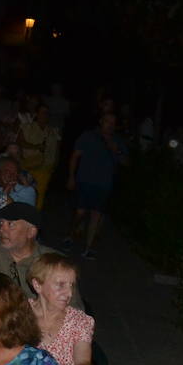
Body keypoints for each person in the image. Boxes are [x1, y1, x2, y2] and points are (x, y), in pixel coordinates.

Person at [0, 202, 84, 309]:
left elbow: (74, 308)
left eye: (11, 224)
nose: (1, 229)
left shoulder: (55, 263)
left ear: (31, 232)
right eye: (1, 223)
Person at [29, 252, 94, 365]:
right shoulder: (19, 313)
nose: (69, 293)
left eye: (72, 285)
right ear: (37, 285)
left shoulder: (79, 321)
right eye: (60, 285)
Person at [67, 111, 129, 259]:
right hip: (84, 180)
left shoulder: (117, 141)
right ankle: (70, 234)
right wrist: (71, 176)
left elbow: (126, 162)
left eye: (113, 123)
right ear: (101, 121)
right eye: (108, 122)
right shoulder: (88, 136)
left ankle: (88, 248)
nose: (110, 126)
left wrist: (117, 150)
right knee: (80, 212)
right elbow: (75, 156)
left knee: (96, 215)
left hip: (104, 184)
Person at [18, 103, 60, 207]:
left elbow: (57, 150)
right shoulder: (27, 127)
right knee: (24, 192)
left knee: (40, 194)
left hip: (45, 168)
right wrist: (36, 147)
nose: (45, 115)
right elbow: (19, 142)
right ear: (36, 114)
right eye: (43, 112)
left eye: (47, 113)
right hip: (27, 167)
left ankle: (34, 219)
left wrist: (55, 164)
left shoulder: (54, 131)